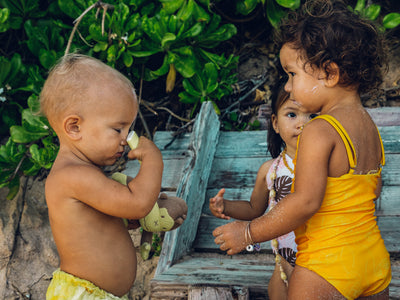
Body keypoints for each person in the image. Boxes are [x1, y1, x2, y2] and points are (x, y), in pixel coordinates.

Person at [212, 0, 391, 299]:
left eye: (292, 74)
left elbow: (305, 202)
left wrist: (247, 233)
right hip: (373, 260)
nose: (286, 87)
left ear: (329, 74)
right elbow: (370, 191)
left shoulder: (320, 130)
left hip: (327, 266)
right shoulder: (368, 128)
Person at [41, 53, 164, 299]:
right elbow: (137, 203)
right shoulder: (73, 176)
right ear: (74, 127)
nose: (126, 139)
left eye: (128, 129)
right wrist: (153, 159)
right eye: (118, 129)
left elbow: (101, 225)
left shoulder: (83, 174)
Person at [210, 85, 317, 299]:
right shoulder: (270, 170)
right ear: (276, 124)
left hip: (319, 264)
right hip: (283, 264)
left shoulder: (325, 167)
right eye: (292, 114)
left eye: (313, 115)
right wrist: (226, 206)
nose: (302, 123)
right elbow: (254, 209)